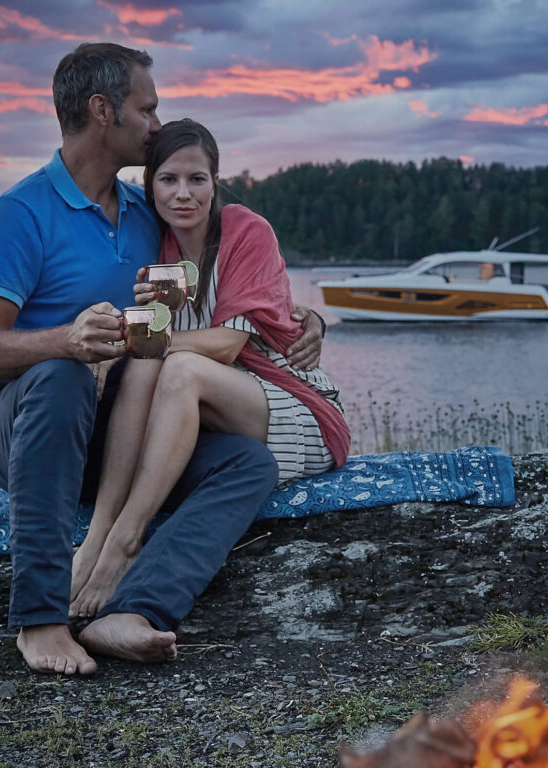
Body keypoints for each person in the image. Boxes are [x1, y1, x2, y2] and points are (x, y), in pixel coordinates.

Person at [0, 43, 325, 674]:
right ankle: (41, 619)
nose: (156, 125)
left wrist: (307, 321)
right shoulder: (21, 213)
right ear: (103, 111)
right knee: (62, 376)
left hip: (115, 426)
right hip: (24, 425)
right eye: (146, 108)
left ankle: (131, 610)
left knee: (246, 462)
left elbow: (222, 293)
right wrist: (64, 342)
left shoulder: (143, 211)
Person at [68, 119, 351, 619]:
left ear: (215, 182)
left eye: (197, 179)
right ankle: (98, 535)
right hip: (222, 404)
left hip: (293, 405)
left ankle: (126, 541)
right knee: (146, 366)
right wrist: (110, 347)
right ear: (149, 185)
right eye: (168, 180)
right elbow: (146, 346)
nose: (183, 194)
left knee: (174, 366)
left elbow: (225, 346)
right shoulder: (162, 248)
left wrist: (144, 341)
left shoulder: (245, 230)